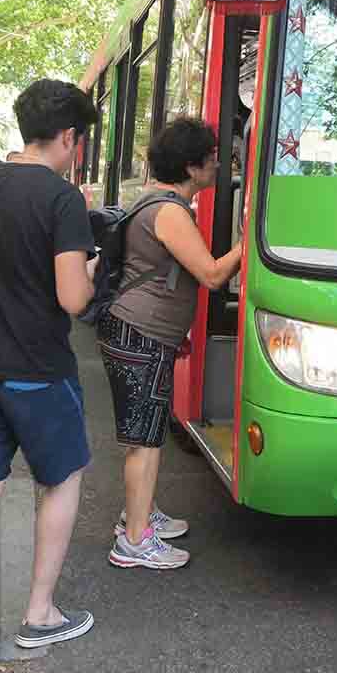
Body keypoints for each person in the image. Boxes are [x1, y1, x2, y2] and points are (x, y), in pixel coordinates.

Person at [0, 80, 97, 673]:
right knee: (61, 481)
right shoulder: (62, 201)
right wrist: (90, 269)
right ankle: (39, 613)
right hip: (37, 369)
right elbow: (72, 299)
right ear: (68, 138)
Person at [98, 118, 243, 570]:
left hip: (141, 331)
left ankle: (140, 515)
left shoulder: (159, 203)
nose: (219, 163)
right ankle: (134, 541)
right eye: (213, 157)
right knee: (144, 439)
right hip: (140, 331)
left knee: (148, 432)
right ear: (191, 166)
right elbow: (213, 274)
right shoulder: (170, 212)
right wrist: (256, 237)